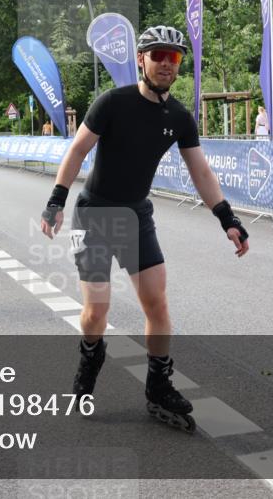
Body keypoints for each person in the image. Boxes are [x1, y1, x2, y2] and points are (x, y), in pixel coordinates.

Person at [39, 25, 250, 432]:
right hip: (95, 214)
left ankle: (158, 386)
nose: (167, 64)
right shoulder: (112, 103)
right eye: (158, 55)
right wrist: (55, 202)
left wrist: (227, 218)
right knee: (95, 313)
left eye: (174, 57)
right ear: (141, 59)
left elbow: (200, 171)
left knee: (157, 302)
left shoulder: (179, 116)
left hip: (136, 216)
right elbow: (78, 150)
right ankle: (90, 355)